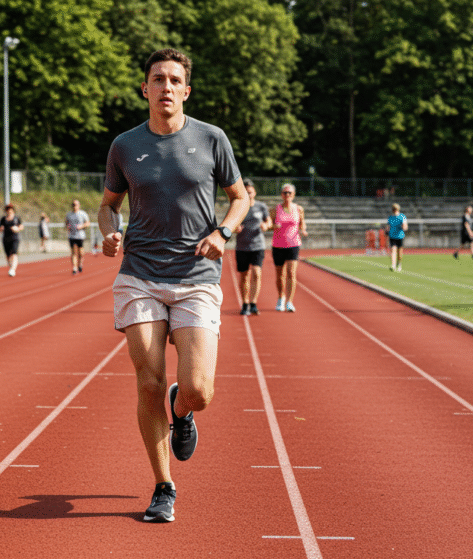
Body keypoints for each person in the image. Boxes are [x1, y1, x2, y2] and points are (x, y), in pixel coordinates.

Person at [98, 48, 250, 523]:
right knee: (148, 381)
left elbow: (239, 197)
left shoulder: (211, 139)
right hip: (140, 275)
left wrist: (222, 233)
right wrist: (109, 230)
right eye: (157, 79)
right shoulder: (125, 145)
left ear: (187, 90)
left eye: (174, 80)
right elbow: (108, 203)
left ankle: (181, 412)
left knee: (200, 390)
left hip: (196, 277)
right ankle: (164, 486)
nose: (165, 87)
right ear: (145, 88)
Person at [234, 179, 272, 315]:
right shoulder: (237, 206)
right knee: (244, 276)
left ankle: (253, 303)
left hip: (258, 245)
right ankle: (245, 303)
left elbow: (268, 221)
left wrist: (266, 226)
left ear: (254, 192)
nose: (248, 194)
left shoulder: (261, 206)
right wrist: (235, 228)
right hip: (242, 246)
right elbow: (230, 224)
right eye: (246, 191)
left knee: (256, 273)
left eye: (250, 192)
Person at [270, 183, 307, 312]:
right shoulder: (275, 209)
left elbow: (302, 223)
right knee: (280, 275)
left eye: (289, 193)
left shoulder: (299, 209)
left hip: (294, 244)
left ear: (293, 195)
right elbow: (269, 224)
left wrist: (303, 230)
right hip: (278, 245)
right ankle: (281, 298)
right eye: (285, 193)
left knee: (291, 273)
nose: (287, 195)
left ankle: (290, 301)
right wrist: (274, 226)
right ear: (281, 194)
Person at [0, 204, 23, 277]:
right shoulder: (3, 219)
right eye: (8, 209)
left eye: (10, 209)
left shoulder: (16, 218)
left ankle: (12, 269)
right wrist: (1, 229)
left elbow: (21, 226)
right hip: (6, 239)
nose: (9, 210)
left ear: (13, 210)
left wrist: (17, 229)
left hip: (14, 238)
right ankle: (11, 268)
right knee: (8, 256)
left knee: (14, 253)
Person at [66, 199, 91, 273]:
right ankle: (74, 267)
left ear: (79, 205)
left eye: (76, 204)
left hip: (80, 236)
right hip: (72, 236)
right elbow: (66, 223)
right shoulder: (69, 214)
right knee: (73, 252)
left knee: (81, 253)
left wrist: (82, 226)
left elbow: (87, 223)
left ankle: (80, 264)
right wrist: (68, 226)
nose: (74, 206)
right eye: (73, 204)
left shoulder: (82, 214)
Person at [386, 203, 408, 272]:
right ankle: (393, 265)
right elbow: (388, 227)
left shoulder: (402, 217)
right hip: (392, 236)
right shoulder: (390, 218)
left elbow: (405, 227)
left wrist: (402, 227)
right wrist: (387, 231)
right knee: (393, 250)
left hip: (400, 236)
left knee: (399, 252)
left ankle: (399, 263)